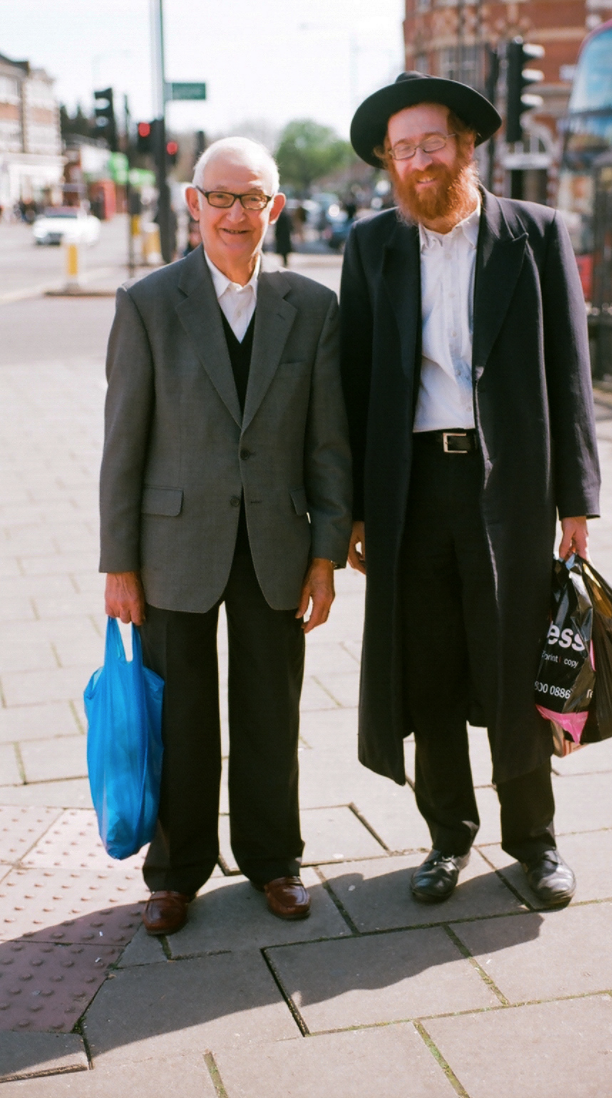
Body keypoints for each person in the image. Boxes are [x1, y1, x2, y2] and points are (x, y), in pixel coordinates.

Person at [340, 73, 600, 908]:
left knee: (514, 662)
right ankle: (447, 837)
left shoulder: (534, 233)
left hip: (510, 486)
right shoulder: (371, 244)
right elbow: (354, 382)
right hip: (410, 488)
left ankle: (535, 841)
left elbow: (570, 370)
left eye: (432, 143)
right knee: (430, 669)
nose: (418, 162)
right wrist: (350, 510)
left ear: (465, 145)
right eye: (402, 150)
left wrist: (577, 499)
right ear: (391, 161)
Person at [100, 137, 352, 935]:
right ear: (194, 203)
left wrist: (325, 554)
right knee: (180, 716)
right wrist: (119, 564)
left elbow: (328, 444)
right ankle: (175, 872)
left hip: (277, 543)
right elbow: (122, 446)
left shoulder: (311, 308)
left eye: (253, 199)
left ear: (275, 207)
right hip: (174, 546)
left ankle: (275, 859)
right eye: (222, 197)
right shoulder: (147, 302)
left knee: (271, 713)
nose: (236, 214)